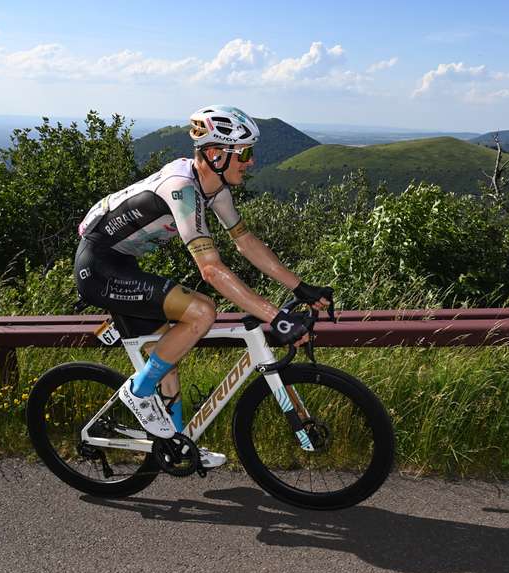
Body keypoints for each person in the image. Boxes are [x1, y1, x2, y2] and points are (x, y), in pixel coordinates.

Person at [73, 105, 332, 468]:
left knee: (167, 356)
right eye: (244, 153)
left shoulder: (214, 189)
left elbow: (246, 242)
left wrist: (300, 286)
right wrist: (277, 318)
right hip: (98, 266)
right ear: (214, 154)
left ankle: (177, 447)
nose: (251, 161)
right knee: (202, 311)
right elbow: (211, 269)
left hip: (121, 264)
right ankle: (138, 392)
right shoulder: (182, 190)